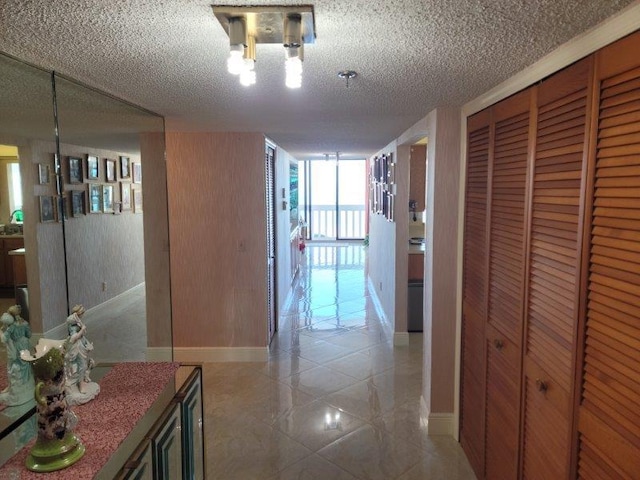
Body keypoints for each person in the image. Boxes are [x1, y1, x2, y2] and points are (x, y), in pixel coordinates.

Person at [64, 305, 99, 405]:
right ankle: (80, 383)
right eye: (82, 314)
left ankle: (81, 380)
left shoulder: (77, 322)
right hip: (77, 347)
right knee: (82, 365)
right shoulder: (73, 325)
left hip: (81, 345)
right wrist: (82, 330)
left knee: (82, 364)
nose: (83, 316)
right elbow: (73, 338)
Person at [0, 305, 34, 406]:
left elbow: (4, 339)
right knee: (26, 364)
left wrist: (1, 331)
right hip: (26, 345)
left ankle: (16, 387)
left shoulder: (11, 327)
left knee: (14, 366)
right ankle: (26, 384)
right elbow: (29, 334)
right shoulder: (24, 323)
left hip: (17, 347)